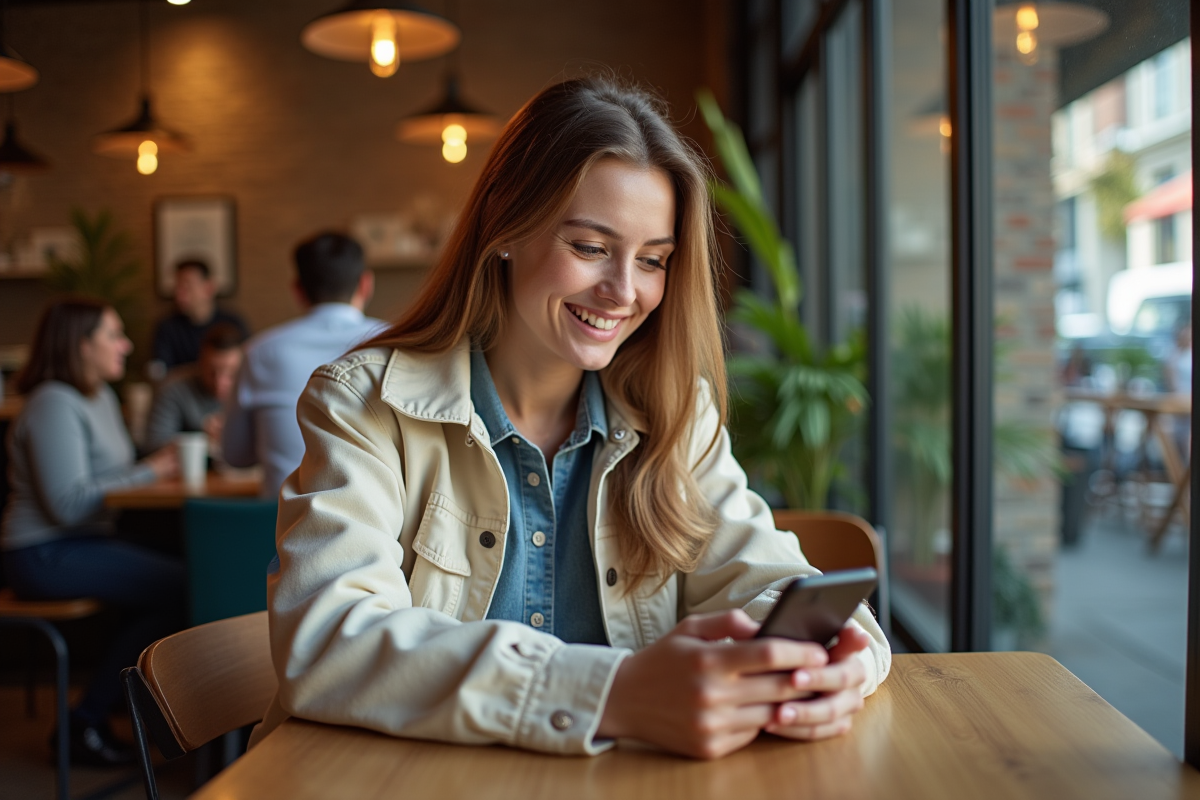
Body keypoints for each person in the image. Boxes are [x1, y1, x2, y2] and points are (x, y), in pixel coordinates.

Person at [248, 76, 891, 760]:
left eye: (653, 260)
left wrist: (835, 663)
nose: (624, 291)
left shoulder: (673, 412)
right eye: (589, 247)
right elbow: (330, 639)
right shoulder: (364, 403)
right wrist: (614, 694)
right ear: (506, 228)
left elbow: (771, 583)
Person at [1, 298, 185, 766]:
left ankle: (106, 715)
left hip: (85, 543)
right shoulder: (53, 403)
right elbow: (66, 504)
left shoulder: (99, 396)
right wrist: (149, 471)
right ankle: (85, 722)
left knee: (181, 575)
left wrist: (159, 458)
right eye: (113, 334)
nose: (125, 345)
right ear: (80, 345)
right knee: (185, 587)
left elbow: (114, 469)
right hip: (43, 553)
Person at [222, 232, 383, 498]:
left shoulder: (259, 353)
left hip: (280, 531)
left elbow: (235, 456)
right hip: (382, 530)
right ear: (365, 284)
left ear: (297, 290)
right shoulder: (400, 345)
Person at [144, 322, 245, 453]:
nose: (220, 382)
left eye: (231, 374)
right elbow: (153, 444)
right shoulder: (173, 387)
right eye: (212, 372)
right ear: (200, 363)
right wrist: (202, 438)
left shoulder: (256, 390)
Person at [148, 259, 249, 378]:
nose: (179, 294)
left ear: (209, 288)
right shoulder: (166, 327)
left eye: (187, 287)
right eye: (177, 287)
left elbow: (246, 364)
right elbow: (159, 372)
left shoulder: (233, 323)